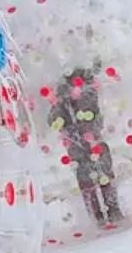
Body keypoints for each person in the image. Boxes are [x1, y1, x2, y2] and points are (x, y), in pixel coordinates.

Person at [48, 65, 123, 228]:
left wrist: (90, 127)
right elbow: (53, 116)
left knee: (104, 173)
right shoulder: (60, 91)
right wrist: (60, 121)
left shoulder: (88, 85)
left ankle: (113, 210)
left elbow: (95, 111)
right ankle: (97, 216)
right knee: (86, 180)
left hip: (93, 137)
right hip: (75, 142)